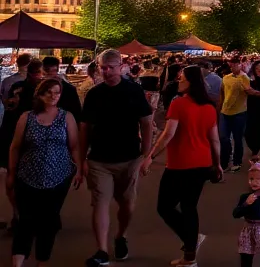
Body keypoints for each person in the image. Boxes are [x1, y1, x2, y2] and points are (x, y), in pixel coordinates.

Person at [80, 48, 155, 267]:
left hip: (129, 157)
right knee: (100, 203)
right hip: (99, 159)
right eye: (102, 68)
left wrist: (146, 154)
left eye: (110, 67)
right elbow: (85, 127)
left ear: (121, 67)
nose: (106, 72)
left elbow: (146, 121)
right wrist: (82, 158)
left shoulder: (133, 91)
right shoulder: (94, 94)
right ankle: (101, 250)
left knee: (127, 204)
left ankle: (121, 235)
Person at [143, 65, 221, 267]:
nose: (179, 81)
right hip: (202, 163)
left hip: (180, 164)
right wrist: (217, 164)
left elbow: (168, 135)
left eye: (182, 78)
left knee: (165, 206)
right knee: (189, 206)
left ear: (191, 82)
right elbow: (214, 140)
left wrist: (150, 155)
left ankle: (191, 241)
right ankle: (190, 253)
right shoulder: (209, 107)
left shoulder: (178, 104)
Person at [6, 77, 84, 266]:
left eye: (57, 92)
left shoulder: (67, 117)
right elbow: (15, 147)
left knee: (48, 222)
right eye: (48, 92)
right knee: (26, 220)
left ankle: (42, 260)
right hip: (27, 175)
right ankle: (18, 261)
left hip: (58, 177)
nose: (53, 96)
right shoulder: (27, 117)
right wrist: (11, 173)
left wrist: (79, 168)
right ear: (39, 94)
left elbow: (74, 146)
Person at [220, 59, 260, 173]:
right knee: (233, 136)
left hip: (252, 111)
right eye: (257, 68)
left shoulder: (255, 80)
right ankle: (225, 161)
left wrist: (255, 92)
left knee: (248, 135)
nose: (259, 70)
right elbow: (223, 94)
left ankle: (245, 158)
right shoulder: (231, 78)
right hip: (237, 110)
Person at [39, 56, 83, 123]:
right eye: (46, 72)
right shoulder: (38, 88)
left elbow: (76, 113)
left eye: (50, 72)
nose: (46, 76)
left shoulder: (69, 90)